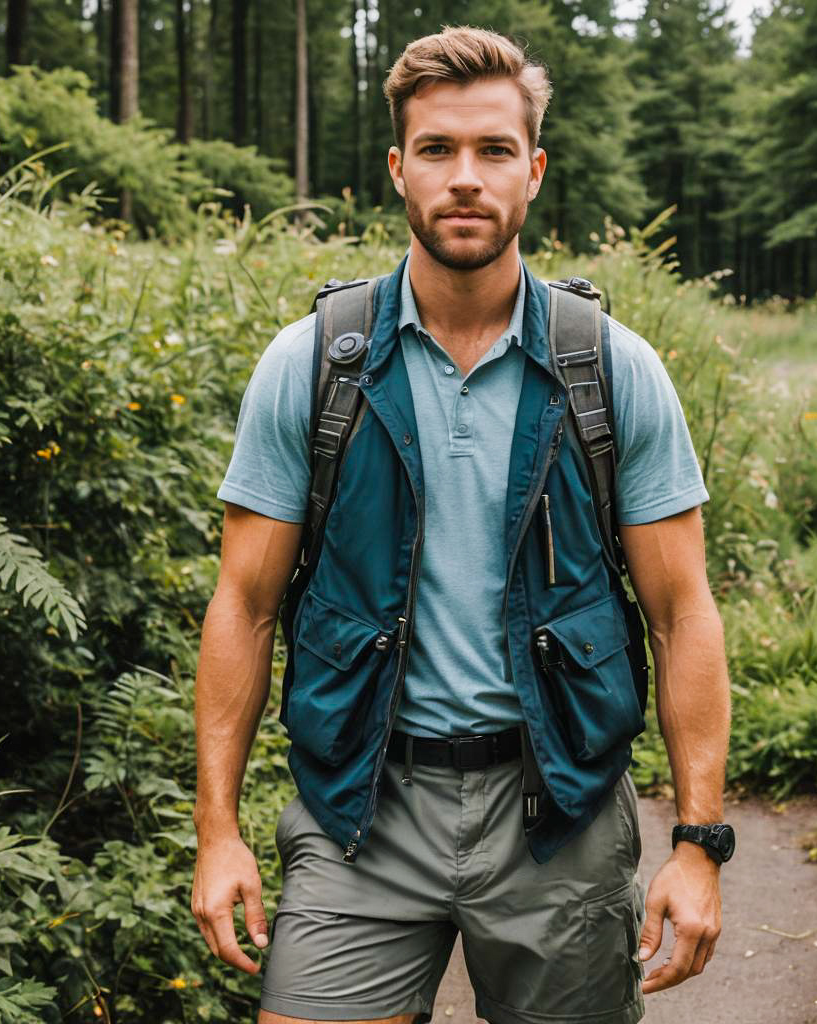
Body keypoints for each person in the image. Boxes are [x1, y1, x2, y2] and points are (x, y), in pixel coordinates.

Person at [191, 24, 732, 1024]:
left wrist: (698, 844)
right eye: (437, 150)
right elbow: (245, 602)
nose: (465, 177)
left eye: (492, 150)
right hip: (362, 806)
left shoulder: (610, 371)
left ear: (533, 167)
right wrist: (215, 828)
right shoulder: (314, 366)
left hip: (559, 814)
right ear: (398, 170)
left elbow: (680, 613)